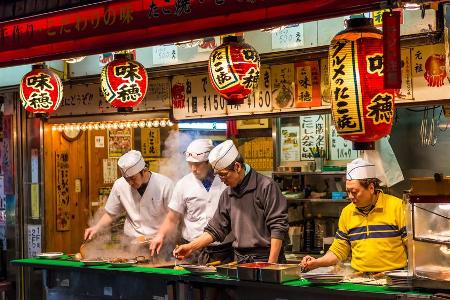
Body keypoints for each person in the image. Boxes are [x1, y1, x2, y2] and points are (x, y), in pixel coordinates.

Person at [173, 140, 288, 264]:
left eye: (223, 175)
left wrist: (271, 265)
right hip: (240, 260)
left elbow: (278, 226)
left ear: (237, 167)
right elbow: (215, 230)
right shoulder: (227, 194)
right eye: (218, 175)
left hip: (267, 257)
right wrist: (190, 247)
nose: (221, 180)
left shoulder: (266, 186)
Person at [301, 158, 407, 273]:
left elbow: (412, 246)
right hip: (360, 279)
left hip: (393, 279)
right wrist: (317, 262)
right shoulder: (347, 212)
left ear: (371, 188)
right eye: (348, 192)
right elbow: (339, 249)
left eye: (355, 192)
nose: (350, 196)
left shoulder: (397, 206)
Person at [150, 139, 234, 264]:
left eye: (198, 164)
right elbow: (172, 217)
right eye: (190, 164)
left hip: (223, 250)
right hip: (190, 250)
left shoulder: (226, 181)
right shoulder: (183, 184)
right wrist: (160, 235)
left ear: (209, 162)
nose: (193, 169)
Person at [84, 150, 174, 242]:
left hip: (157, 238)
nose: (130, 183)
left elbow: (172, 217)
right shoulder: (119, 185)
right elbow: (111, 213)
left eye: (133, 178)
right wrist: (96, 227)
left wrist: (162, 235)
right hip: (131, 240)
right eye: (127, 179)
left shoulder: (165, 185)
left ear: (144, 171)